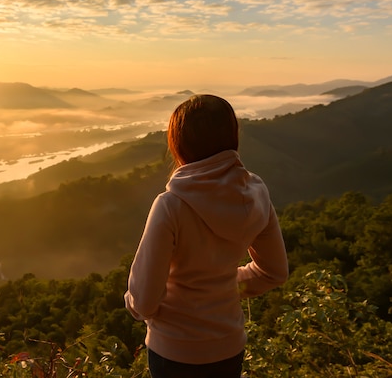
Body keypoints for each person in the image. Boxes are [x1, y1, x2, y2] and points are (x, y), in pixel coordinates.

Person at [124, 94, 289, 378]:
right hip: (228, 347)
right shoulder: (256, 193)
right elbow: (274, 272)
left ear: (179, 143)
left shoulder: (171, 205)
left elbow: (144, 301)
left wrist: (131, 301)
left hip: (174, 352)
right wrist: (224, 282)